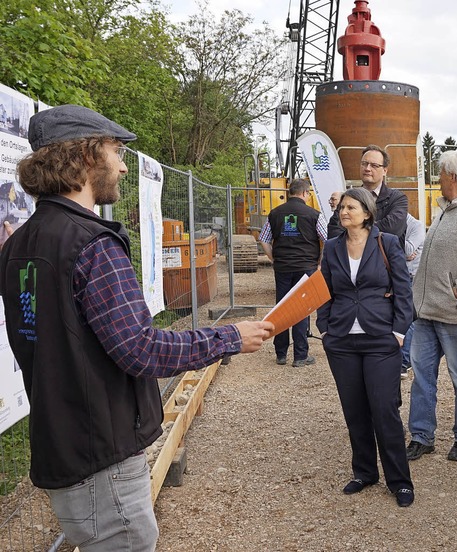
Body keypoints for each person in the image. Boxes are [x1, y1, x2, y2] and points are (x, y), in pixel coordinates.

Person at [0, 104, 274, 551]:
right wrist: (231, 337)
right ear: (86, 156)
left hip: (62, 444)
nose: (124, 165)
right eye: (115, 150)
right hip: (101, 455)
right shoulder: (92, 244)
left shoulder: (20, 242)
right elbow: (140, 349)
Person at [316, 187, 414, 507]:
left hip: (380, 340)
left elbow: (403, 290)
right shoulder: (331, 247)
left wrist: (399, 332)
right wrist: (325, 329)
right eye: (342, 207)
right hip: (342, 340)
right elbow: (324, 290)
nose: (344, 212)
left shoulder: (387, 243)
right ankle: (364, 472)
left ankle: (399, 480)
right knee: (354, 410)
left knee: (384, 410)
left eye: (351, 207)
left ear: (367, 213)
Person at [406, 151, 457, 462]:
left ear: (453, 177)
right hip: (427, 313)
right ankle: (421, 436)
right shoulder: (444, 209)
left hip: (456, 315)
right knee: (422, 376)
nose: (437, 179)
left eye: (440, 174)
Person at [259, 178, 327, 367]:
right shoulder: (314, 214)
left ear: (290, 192)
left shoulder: (274, 213)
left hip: (282, 267)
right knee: (301, 309)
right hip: (305, 267)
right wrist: (320, 262)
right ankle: (300, 356)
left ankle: (281, 354)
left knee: (281, 308)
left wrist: (273, 258)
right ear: (305, 193)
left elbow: (263, 239)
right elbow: (328, 239)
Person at [327, 144, 408, 244]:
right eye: (364, 164)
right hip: (351, 258)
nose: (367, 168)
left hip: (384, 258)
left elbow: (392, 229)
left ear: (384, 171)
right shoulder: (348, 198)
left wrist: (354, 229)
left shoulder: (397, 199)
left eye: (374, 165)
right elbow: (334, 230)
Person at [400, 212, 425, 379]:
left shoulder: (416, 226)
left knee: (408, 319)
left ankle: (404, 362)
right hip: (398, 275)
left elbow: (409, 249)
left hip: (410, 277)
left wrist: (394, 249)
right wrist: (402, 253)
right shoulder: (392, 226)